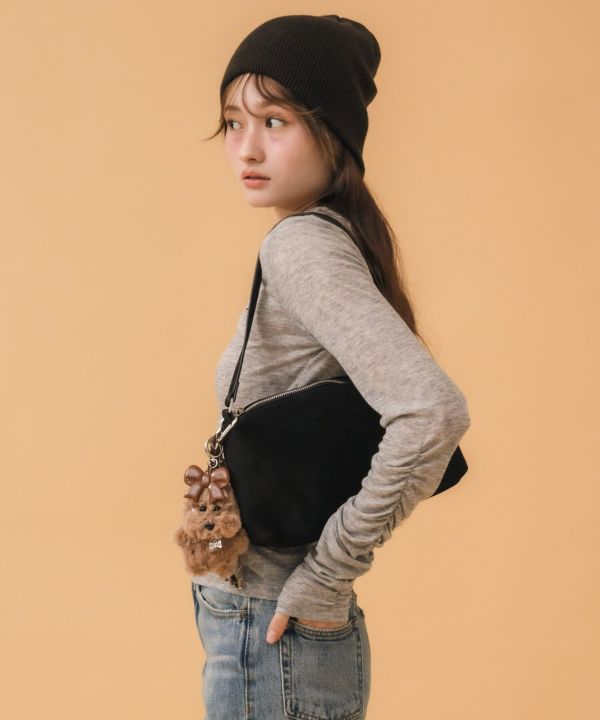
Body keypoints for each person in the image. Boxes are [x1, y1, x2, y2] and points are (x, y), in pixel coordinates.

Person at [189, 14, 471, 720]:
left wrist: (328, 572)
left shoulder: (300, 247)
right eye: (232, 123)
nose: (246, 147)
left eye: (274, 121)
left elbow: (432, 412)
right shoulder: (332, 237)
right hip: (268, 627)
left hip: (270, 629)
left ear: (333, 132)